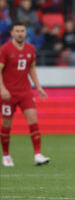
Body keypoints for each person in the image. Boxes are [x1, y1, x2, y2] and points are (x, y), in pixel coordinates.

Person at [0, 21, 50, 167]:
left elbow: (32, 69)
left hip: (25, 92)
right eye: (17, 31)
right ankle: (6, 155)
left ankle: (38, 155)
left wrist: (38, 87)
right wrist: (2, 89)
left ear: (25, 32)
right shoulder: (5, 49)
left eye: (22, 31)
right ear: (12, 33)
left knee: (33, 120)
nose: (20, 33)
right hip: (8, 93)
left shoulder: (30, 49)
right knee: (6, 124)